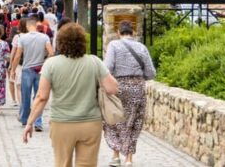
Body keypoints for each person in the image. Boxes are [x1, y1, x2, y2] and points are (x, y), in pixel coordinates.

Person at [22, 23, 120, 167]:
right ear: (82, 42)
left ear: (60, 42)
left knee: (62, 163)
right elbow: (112, 88)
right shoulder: (94, 62)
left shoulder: (51, 64)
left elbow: (42, 97)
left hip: (62, 123)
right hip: (90, 123)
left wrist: (30, 122)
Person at [103, 21, 157, 167]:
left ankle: (115, 156)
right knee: (134, 122)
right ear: (132, 32)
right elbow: (151, 73)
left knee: (114, 120)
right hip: (138, 87)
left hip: (118, 87)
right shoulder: (141, 47)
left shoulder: (114, 45)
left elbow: (107, 68)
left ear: (119, 33)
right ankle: (129, 159)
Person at [10, 14, 53, 132]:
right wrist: (45, 63)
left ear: (28, 26)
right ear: (36, 25)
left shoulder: (22, 38)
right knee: (39, 96)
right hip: (40, 69)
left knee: (26, 96)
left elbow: (18, 55)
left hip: (27, 69)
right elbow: (51, 52)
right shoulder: (44, 37)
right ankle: (38, 122)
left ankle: (25, 119)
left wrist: (13, 70)